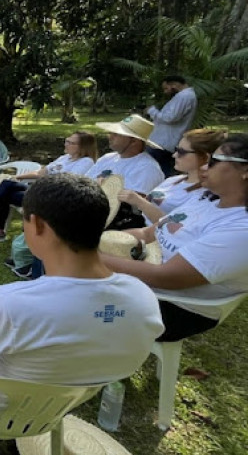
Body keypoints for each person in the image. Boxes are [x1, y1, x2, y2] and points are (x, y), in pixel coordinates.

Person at [0, 173, 164, 428]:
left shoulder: (10, 304)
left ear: (37, 225)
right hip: (59, 407)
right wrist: (1, 301)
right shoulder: (143, 297)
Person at [102, 134, 248, 342]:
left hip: (172, 307)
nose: (205, 167)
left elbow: (165, 277)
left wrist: (88, 257)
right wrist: (98, 242)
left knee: (65, 296)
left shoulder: (241, 229)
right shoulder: (206, 199)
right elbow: (146, 233)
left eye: (214, 162)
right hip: (146, 278)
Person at [0, 131, 98, 242]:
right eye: (67, 140)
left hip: (53, 197)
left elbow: (67, 181)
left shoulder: (86, 162)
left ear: (82, 147)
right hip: (40, 189)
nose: (66, 143)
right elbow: (41, 172)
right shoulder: (64, 158)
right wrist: (18, 177)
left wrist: (45, 178)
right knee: (7, 184)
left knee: (5, 193)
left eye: (70, 142)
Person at [118, 129, 224, 225]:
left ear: (205, 157)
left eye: (181, 152)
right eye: (176, 149)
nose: (174, 155)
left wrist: (139, 202)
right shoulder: (173, 180)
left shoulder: (205, 194)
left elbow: (176, 228)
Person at [85, 114, 165, 230]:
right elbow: (85, 181)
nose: (110, 137)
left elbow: (131, 207)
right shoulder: (108, 158)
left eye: (116, 134)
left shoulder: (148, 168)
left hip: (117, 225)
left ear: (133, 141)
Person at [146, 75, 197, 176]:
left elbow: (170, 117)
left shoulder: (184, 96)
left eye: (166, 88)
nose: (166, 91)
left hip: (163, 142)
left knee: (152, 170)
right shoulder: (183, 96)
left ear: (174, 84)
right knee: (161, 169)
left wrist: (151, 111)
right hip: (164, 141)